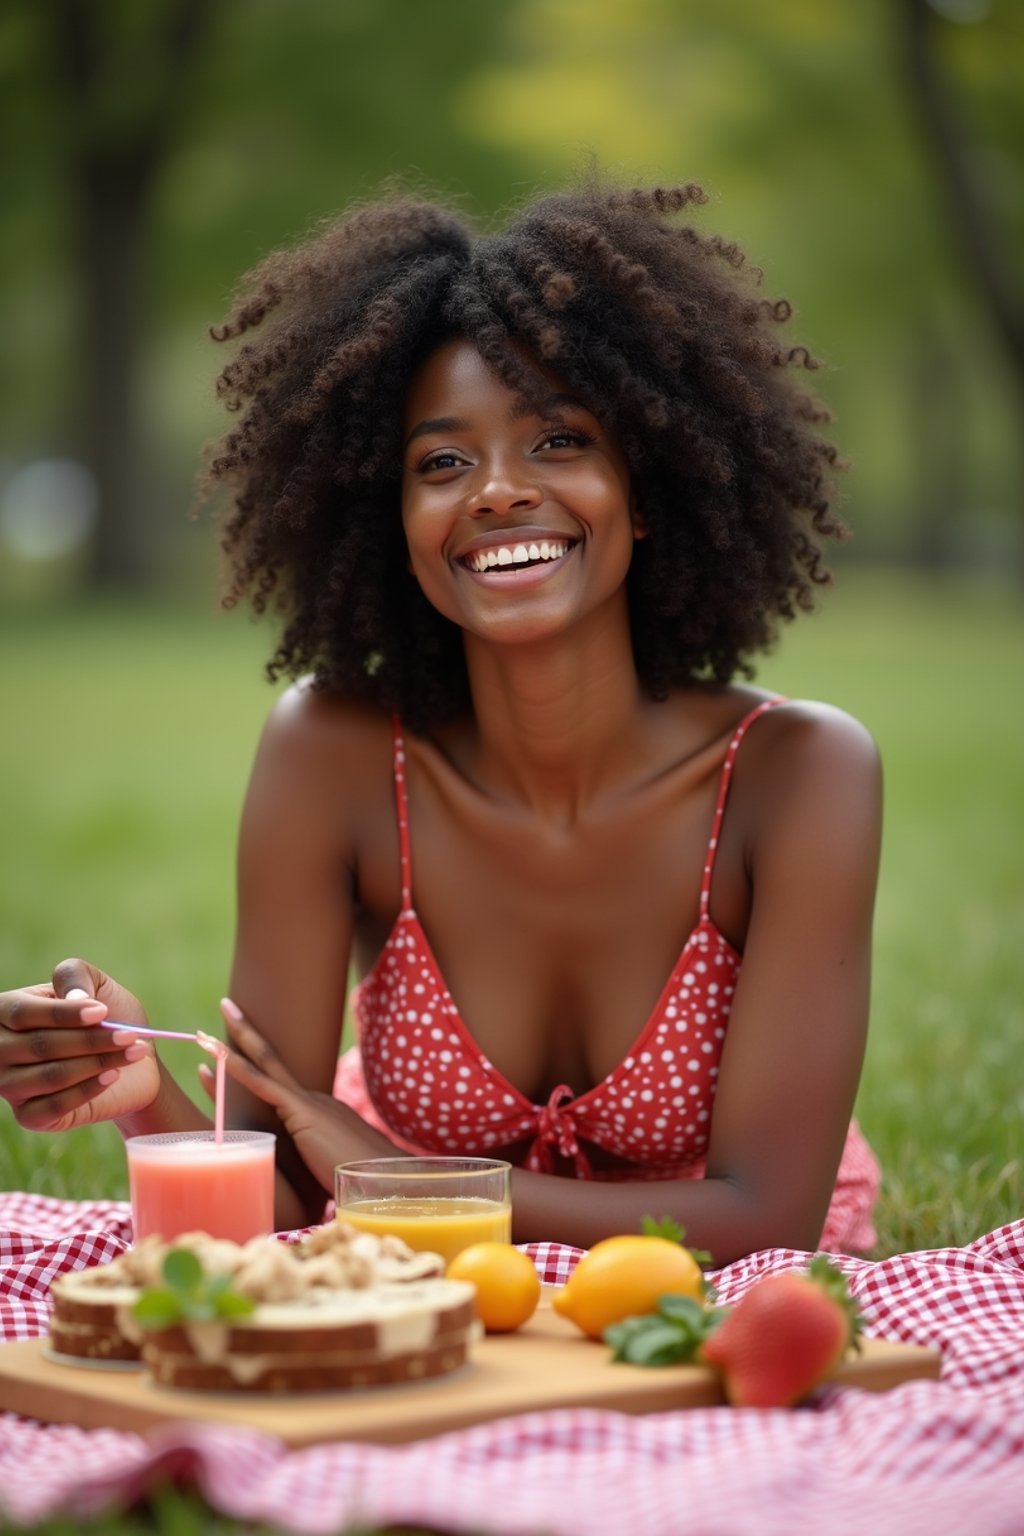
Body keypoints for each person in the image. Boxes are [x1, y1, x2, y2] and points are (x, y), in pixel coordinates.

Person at [0, 180, 882, 1265]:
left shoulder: (797, 773)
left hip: (707, 1296)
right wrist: (140, 1089)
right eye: (442, 463)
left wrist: (395, 1180)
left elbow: (762, 1220)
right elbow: (271, 1198)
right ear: (394, 521)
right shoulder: (334, 754)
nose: (499, 492)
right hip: (419, 1284)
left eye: (558, 442)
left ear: (644, 489)